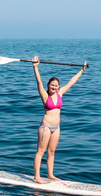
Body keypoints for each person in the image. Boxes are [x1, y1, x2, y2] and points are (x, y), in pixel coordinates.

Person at [32, 55, 88, 184]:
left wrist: (82, 70)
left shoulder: (60, 93)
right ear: (48, 85)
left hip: (56, 128)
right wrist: (35, 67)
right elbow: (39, 82)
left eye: (56, 85)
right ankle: (37, 177)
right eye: (52, 85)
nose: (54, 87)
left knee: (51, 152)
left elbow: (72, 82)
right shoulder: (45, 95)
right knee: (41, 151)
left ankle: (50, 174)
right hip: (45, 128)